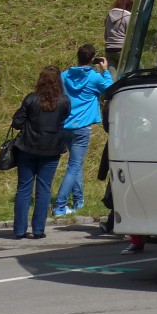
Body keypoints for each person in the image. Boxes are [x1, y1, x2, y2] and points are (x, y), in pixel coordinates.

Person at [52, 44, 114, 218]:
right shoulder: (94, 78)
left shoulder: (64, 76)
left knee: (75, 164)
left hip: (65, 125)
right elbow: (110, 89)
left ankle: (79, 201)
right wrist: (106, 71)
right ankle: (60, 205)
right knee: (74, 166)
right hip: (82, 127)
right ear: (92, 59)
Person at [11, 66, 71, 239]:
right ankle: (38, 230)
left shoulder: (31, 99)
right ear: (59, 81)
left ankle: (19, 230)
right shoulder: (64, 101)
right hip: (51, 149)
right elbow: (64, 118)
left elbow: (17, 122)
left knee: (24, 189)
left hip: (28, 147)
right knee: (44, 189)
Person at [103, 0, 133, 71]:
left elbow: (106, 35)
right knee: (138, 69)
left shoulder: (109, 16)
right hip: (122, 50)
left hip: (109, 49)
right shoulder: (129, 17)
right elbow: (131, 36)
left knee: (112, 75)